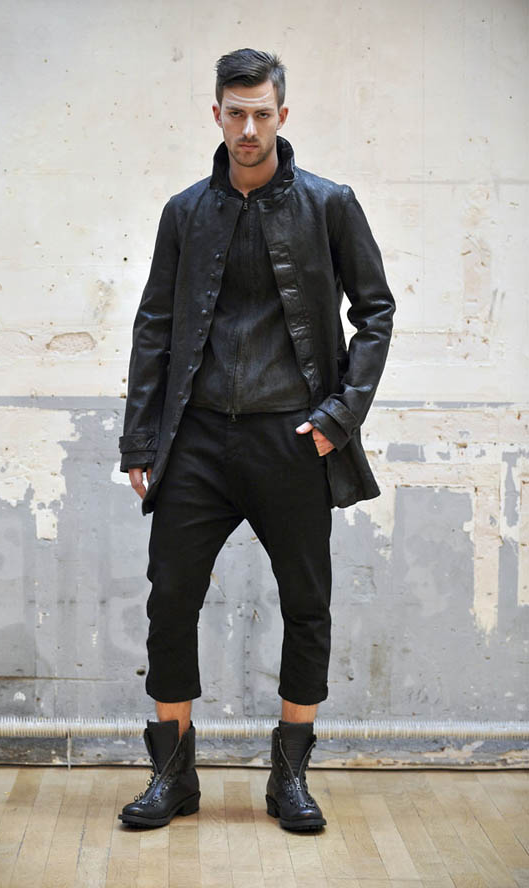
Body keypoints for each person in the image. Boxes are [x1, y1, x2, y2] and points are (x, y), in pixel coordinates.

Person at [117, 48, 395, 832]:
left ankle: (289, 778)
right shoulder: (185, 212)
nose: (247, 128)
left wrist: (337, 419)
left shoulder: (328, 204)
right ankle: (172, 776)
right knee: (171, 601)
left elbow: (375, 312)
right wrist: (140, 440)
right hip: (197, 442)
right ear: (216, 114)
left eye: (260, 114)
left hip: (291, 439)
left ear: (281, 114)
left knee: (306, 605)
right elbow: (154, 326)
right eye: (235, 114)